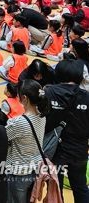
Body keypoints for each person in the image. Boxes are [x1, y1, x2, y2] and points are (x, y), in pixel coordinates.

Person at [43, 59, 89, 203]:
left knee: (55, 189)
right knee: (81, 187)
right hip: (79, 149)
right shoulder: (87, 97)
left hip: (54, 149)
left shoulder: (48, 92)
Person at [5, 80, 49, 203]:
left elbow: (3, 139)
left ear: (24, 98)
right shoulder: (42, 116)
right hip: (36, 169)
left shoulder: (18, 122)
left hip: (18, 172)